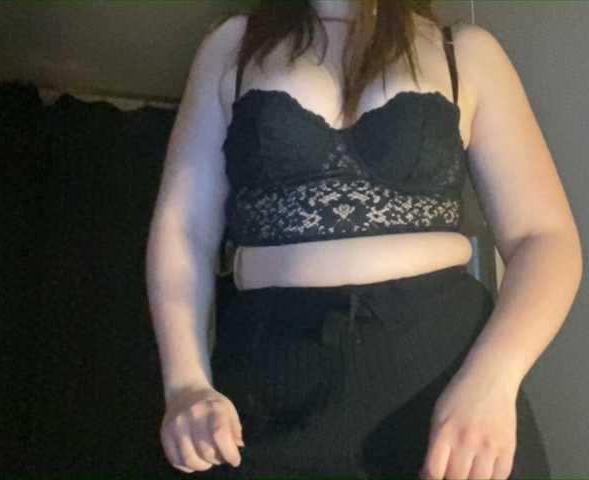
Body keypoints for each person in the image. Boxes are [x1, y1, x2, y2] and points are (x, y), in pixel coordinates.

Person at [146, 1, 582, 478]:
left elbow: (544, 238)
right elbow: (183, 229)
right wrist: (185, 385)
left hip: (450, 382)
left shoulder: (465, 52)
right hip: (267, 383)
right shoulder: (232, 45)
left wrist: (493, 381)